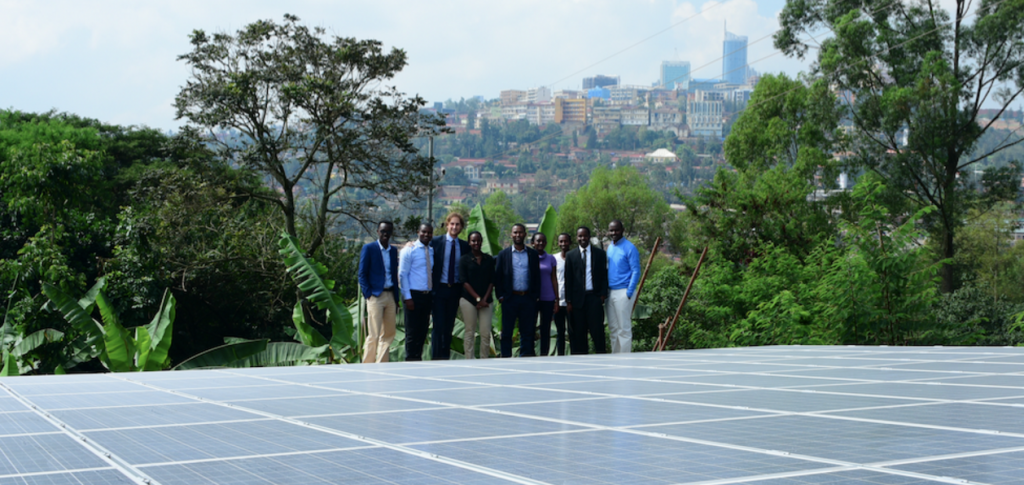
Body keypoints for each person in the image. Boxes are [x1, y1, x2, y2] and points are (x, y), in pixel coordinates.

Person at [494, 223, 541, 357]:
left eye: (520, 232)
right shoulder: (503, 255)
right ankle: (506, 359)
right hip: (510, 298)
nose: (518, 235)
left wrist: (535, 296)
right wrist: (501, 297)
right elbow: (498, 277)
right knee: (507, 332)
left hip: (528, 298)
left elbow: (536, 276)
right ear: (511, 235)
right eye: (515, 232)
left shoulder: (532, 254)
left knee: (527, 332)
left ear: (525, 234)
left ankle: (526, 359)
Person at [430, 212, 471, 360]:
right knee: (438, 326)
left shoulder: (464, 246)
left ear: (461, 227)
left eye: (457, 224)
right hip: (439, 289)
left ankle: (445, 359)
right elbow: (421, 246)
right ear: (447, 225)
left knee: (449, 327)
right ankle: (435, 359)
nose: (454, 227)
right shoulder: (436, 242)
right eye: (452, 224)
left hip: (455, 290)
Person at [358, 221, 400, 363]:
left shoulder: (393, 251)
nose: (385, 234)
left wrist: (396, 297)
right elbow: (362, 274)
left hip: (390, 295)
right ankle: (367, 365)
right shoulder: (369, 248)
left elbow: (394, 274)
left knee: (389, 333)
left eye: (388, 232)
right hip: (376, 296)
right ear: (377, 232)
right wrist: (368, 294)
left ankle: (382, 364)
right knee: (374, 334)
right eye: (383, 231)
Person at [564, 226, 608, 354]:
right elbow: (568, 279)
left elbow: (604, 276)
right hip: (577, 302)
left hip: (594, 298)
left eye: (585, 235)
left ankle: (602, 358)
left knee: (597, 332)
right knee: (579, 334)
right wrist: (569, 301)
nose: (583, 238)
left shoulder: (599, 254)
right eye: (580, 236)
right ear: (577, 238)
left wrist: (602, 296)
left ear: (589, 237)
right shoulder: (570, 255)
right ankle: (582, 360)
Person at [399, 223, 434, 361]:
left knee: (422, 332)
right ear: (418, 232)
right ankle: (409, 361)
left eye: (429, 233)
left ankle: (418, 360)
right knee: (412, 333)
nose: (426, 235)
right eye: (424, 232)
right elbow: (403, 274)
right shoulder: (409, 250)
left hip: (427, 296)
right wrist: (407, 298)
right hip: (413, 295)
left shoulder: (431, 250)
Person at [458, 231, 495, 359]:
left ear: (481, 241)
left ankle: (484, 359)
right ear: (469, 242)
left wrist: (484, 300)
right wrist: (477, 299)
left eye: (478, 240)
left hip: (486, 301)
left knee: (485, 333)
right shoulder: (464, 260)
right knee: (470, 331)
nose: (476, 243)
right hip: (468, 300)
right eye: (473, 241)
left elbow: (492, 281)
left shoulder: (488, 259)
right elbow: (464, 282)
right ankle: (469, 359)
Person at [605, 220, 641, 353]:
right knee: (613, 329)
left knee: (623, 329)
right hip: (610, 292)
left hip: (624, 291)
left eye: (616, 230)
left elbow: (636, 271)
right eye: (611, 230)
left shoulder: (630, 247)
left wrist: (629, 292)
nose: (613, 233)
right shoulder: (610, 247)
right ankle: (616, 358)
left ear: (623, 230)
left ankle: (625, 359)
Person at [531, 233, 559, 357]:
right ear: (533, 243)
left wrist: (557, 299)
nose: (540, 243)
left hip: (548, 298)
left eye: (543, 241)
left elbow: (554, 278)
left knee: (545, 328)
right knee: (530, 327)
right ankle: (530, 353)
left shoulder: (551, 259)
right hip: (532, 298)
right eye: (538, 241)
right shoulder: (529, 257)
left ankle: (544, 354)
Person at [552, 233, 572, 356]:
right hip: (558, 302)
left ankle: (575, 356)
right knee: (560, 332)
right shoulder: (554, 258)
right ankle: (560, 357)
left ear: (570, 242)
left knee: (572, 331)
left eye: (566, 241)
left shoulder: (575, 257)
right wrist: (555, 301)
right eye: (561, 241)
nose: (563, 244)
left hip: (571, 302)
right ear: (558, 243)